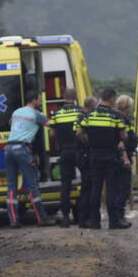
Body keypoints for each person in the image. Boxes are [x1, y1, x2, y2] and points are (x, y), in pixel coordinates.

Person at [75, 88, 131, 230]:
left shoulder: (90, 115)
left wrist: (88, 142)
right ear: (112, 99)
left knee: (95, 188)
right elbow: (124, 136)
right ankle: (114, 221)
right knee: (111, 189)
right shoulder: (115, 116)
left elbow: (79, 132)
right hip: (111, 156)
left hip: (94, 155)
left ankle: (95, 222)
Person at [4, 91, 51, 228]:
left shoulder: (16, 112)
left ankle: (13, 220)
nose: (41, 102)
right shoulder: (36, 114)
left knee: (11, 187)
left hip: (8, 149)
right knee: (32, 185)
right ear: (35, 100)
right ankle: (41, 218)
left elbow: (10, 123)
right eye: (39, 100)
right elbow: (50, 123)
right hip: (22, 149)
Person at [48, 88, 82, 227]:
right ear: (75, 97)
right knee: (87, 181)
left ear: (63, 97)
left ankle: (66, 218)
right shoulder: (80, 112)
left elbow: (51, 135)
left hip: (64, 151)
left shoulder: (56, 114)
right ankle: (84, 215)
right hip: (78, 151)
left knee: (65, 185)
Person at [113, 94, 138, 224]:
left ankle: (118, 215)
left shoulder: (115, 117)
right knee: (124, 187)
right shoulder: (122, 119)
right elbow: (122, 140)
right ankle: (119, 214)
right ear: (127, 107)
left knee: (118, 187)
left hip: (117, 157)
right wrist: (126, 157)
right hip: (123, 157)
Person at [76, 96, 97, 225]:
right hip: (84, 155)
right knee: (87, 188)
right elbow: (79, 134)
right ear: (91, 107)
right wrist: (90, 143)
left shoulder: (79, 116)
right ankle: (84, 218)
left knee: (87, 187)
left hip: (81, 154)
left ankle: (84, 217)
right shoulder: (84, 117)